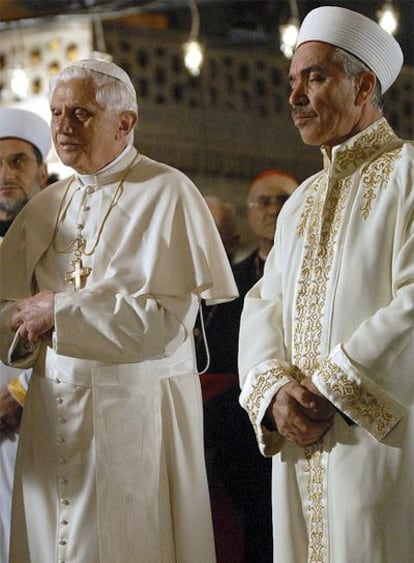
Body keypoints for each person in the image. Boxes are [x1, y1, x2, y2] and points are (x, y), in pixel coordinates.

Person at [0, 59, 238, 563]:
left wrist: (60, 313)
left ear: (125, 123)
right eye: (57, 112)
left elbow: (166, 324)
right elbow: (6, 309)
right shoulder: (45, 206)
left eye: (80, 114)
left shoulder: (167, 192)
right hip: (49, 415)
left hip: (132, 419)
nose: (63, 127)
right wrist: (23, 324)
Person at [238, 6, 413, 563]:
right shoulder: (300, 202)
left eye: (314, 77)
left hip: (380, 436)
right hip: (299, 442)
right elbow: (262, 303)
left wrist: (329, 387)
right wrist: (273, 392)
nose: (294, 97)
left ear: (363, 85)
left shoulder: (408, 174)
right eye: (293, 81)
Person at [198, 177, 296, 563]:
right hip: (225, 436)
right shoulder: (230, 286)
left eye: (283, 200)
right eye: (263, 202)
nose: (273, 209)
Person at [0, 107, 51, 563]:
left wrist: (19, 393)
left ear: (43, 172)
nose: (5, 174)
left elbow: (81, 326)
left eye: (18, 162)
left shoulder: (66, 240)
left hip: (41, 415)